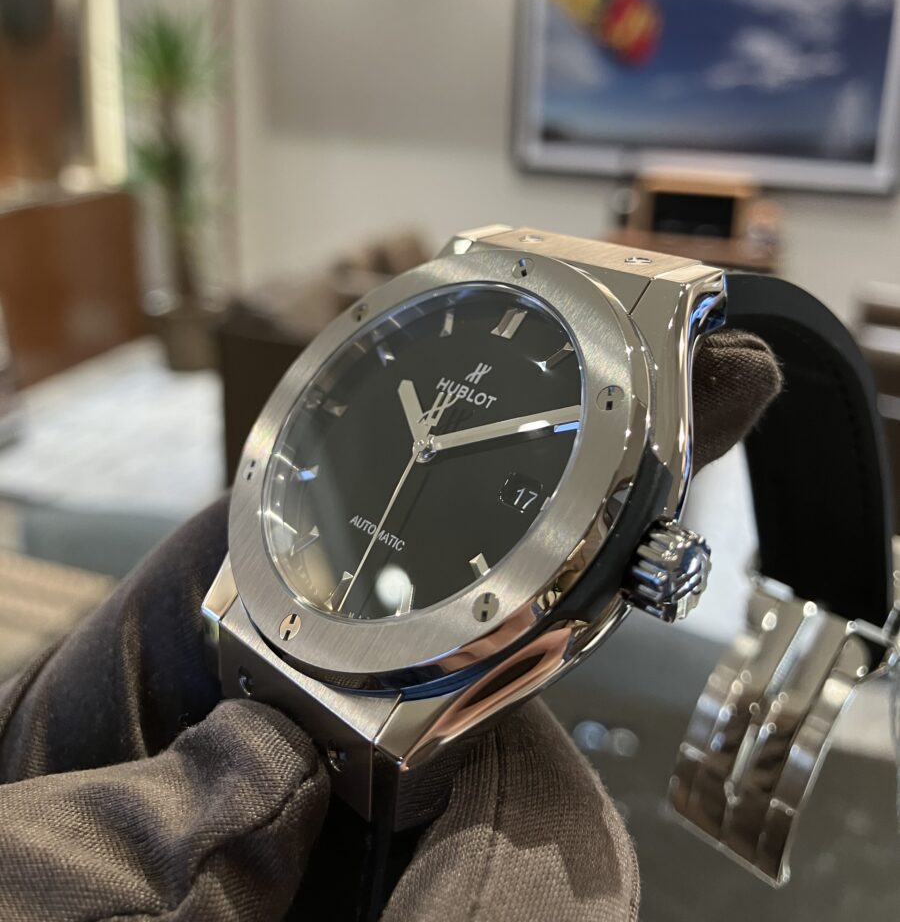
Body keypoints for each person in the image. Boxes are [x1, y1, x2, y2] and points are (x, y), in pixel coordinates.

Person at [0, 331, 780, 922]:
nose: (426, 443)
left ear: (649, 562)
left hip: (423, 650)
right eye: (422, 435)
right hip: (306, 590)